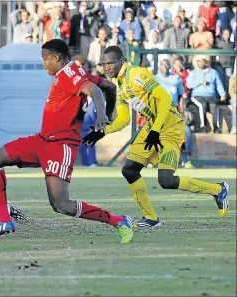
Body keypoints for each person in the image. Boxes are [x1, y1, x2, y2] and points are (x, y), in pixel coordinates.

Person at [0, 39, 134, 244]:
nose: (43, 63)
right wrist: (110, 112)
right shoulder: (74, 72)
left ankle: (119, 221)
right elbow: (108, 87)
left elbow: (96, 91)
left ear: (57, 58)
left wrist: (101, 116)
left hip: (60, 146)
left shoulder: (71, 75)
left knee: (61, 205)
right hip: (42, 140)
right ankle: (4, 220)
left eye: (45, 58)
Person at [83, 46, 230, 228]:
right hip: (153, 126)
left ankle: (218, 189)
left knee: (166, 180)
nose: (106, 68)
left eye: (110, 63)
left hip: (170, 126)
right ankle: (150, 218)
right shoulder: (119, 86)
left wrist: (156, 130)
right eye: (104, 64)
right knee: (129, 170)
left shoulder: (138, 74)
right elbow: (123, 119)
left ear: (121, 61)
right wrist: (102, 132)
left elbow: (166, 99)